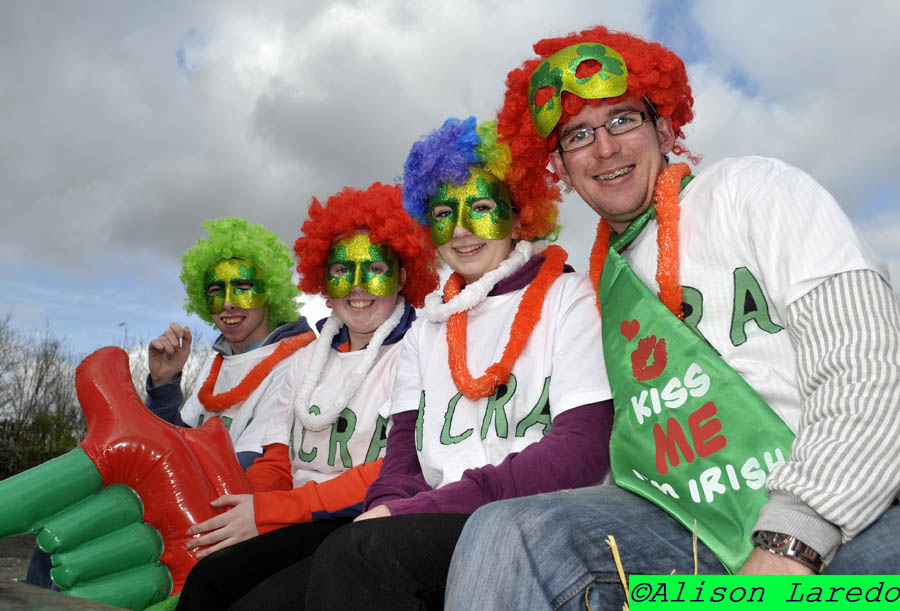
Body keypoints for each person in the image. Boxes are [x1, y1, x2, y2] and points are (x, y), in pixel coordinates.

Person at [445, 26, 900, 610]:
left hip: (844, 513)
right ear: (559, 163)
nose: (604, 148)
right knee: (507, 533)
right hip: (685, 533)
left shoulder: (755, 190)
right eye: (578, 135)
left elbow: (868, 364)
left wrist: (792, 539)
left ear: (663, 126)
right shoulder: (600, 287)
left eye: (622, 119)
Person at [238, 116, 613, 610]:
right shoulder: (427, 327)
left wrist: (421, 510)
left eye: (480, 208)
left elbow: (583, 450)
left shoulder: (572, 298)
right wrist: (383, 509)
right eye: (442, 213)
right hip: (433, 520)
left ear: (519, 213)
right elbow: (403, 458)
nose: (459, 230)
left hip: (536, 518)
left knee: (352, 562)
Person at [176, 182, 439, 608]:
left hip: (366, 524)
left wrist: (273, 513)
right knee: (209, 579)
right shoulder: (304, 363)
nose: (356, 287)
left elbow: (393, 472)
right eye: (340, 271)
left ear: (404, 274)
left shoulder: (422, 352)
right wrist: (241, 507)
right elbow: (277, 462)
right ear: (323, 277)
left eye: (374, 269)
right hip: (296, 520)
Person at [145, 216, 315, 470]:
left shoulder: (299, 361)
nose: (227, 303)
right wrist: (163, 384)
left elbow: (251, 466)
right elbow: (171, 445)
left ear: (269, 291)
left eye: (243, 287)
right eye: (215, 291)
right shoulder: (215, 364)